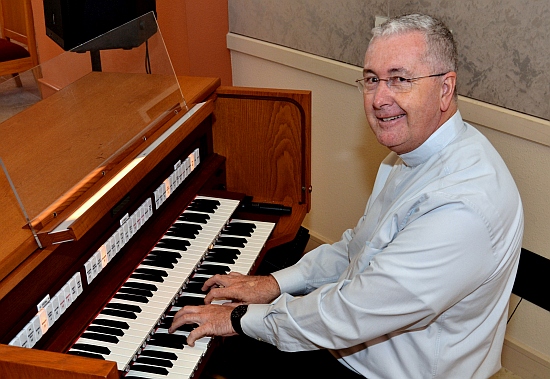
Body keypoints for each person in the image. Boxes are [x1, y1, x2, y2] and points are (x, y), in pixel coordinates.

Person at [170, 13, 523, 379]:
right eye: (372, 80)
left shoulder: (461, 207)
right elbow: (359, 249)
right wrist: (273, 284)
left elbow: (352, 313)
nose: (379, 98)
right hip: (357, 345)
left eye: (400, 79)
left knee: (209, 354)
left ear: (445, 89)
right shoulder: (410, 154)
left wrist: (240, 318)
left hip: (387, 371)